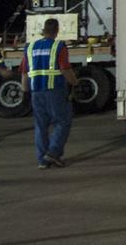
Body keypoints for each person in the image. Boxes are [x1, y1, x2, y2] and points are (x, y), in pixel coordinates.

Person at [24, 18, 77, 169]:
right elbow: (65, 68)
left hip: (36, 92)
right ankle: (53, 153)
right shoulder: (58, 46)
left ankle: (42, 160)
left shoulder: (30, 47)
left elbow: (24, 71)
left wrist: (25, 90)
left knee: (41, 126)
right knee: (63, 122)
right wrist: (75, 82)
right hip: (54, 91)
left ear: (44, 30)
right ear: (57, 30)